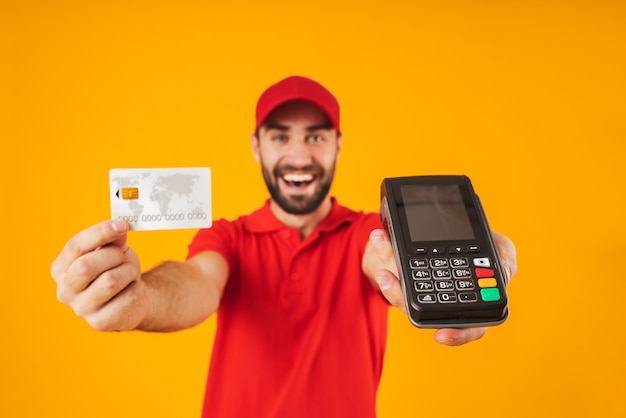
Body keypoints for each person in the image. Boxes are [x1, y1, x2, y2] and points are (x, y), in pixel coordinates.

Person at [51, 75, 517, 418]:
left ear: (338, 145)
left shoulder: (369, 230)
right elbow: (197, 281)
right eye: (280, 137)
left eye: (315, 136)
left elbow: (382, 256)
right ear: (256, 147)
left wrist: (440, 272)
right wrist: (143, 298)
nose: (299, 156)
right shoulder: (227, 237)